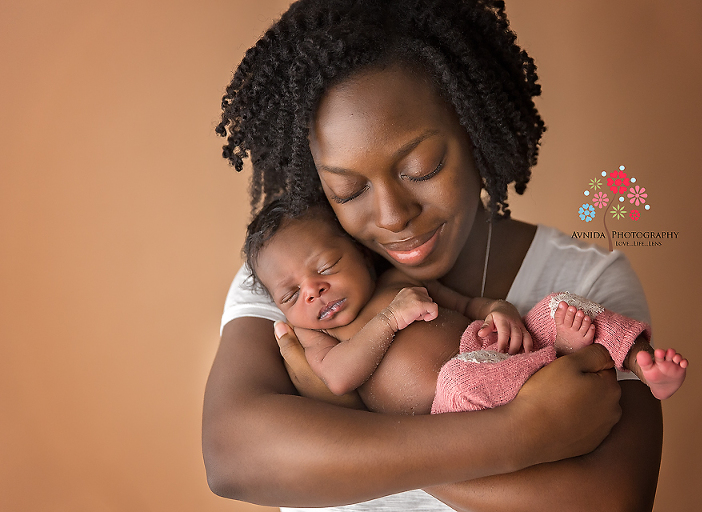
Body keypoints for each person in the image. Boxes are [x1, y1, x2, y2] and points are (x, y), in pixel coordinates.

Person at [203, 1, 666, 510]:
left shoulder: (585, 280)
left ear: (474, 129)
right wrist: (523, 430)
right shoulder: (297, 278)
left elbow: (611, 501)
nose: (393, 215)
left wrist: (338, 429)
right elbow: (234, 456)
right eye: (348, 189)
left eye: (421, 168)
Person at [244, 199, 687, 416]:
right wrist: (390, 319)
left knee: (558, 306)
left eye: (327, 266)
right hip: (454, 400)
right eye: (289, 295)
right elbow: (338, 377)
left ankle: (639, 361)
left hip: (497, 347)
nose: (313, 292)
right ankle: (557, 365)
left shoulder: (398, 278)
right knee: (460, 375)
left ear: (362, 254)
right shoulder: (315, 334)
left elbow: (468, 304)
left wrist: (500, 312)